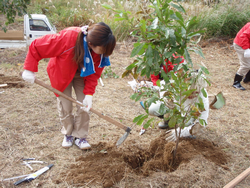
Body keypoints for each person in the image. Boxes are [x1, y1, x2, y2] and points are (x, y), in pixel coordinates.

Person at [22, 23, 116, 150]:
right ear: (92, 43)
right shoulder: (68, 37)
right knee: (65, 105)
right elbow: (37, 46)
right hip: (62, 73)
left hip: (83, 74)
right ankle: (68, 134)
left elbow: (94, 75)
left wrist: (89, 94)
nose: (105, 53)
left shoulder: (100, 54)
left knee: (84, 105)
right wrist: (29, 69)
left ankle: (80, 136)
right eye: (103, 50)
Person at [233, 22, 250, 90]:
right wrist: (246, 49)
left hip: (246, 44)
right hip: (241, 45)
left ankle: (247, 79)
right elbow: (243, 36)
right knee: (246, 65)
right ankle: (236, 83)